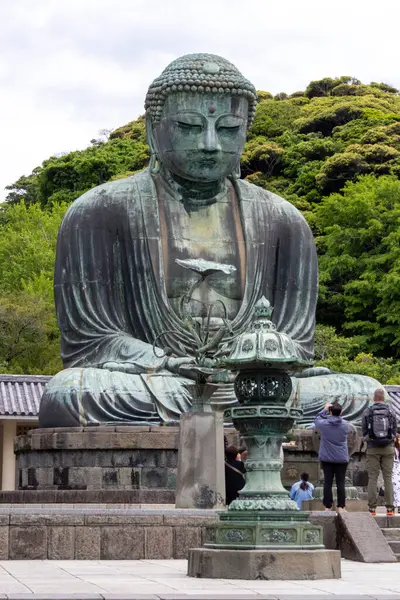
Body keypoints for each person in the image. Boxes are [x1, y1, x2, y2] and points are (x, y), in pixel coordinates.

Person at [38, 52, 382, 428]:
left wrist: (249, 364)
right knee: (72, 393)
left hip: (253, 381)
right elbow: (92, 340)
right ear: (154, 129)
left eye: (228, 129)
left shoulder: (284, 220)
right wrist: (166, 360)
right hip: (158, 379)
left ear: (246, 133)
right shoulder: (100, 211)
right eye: (189, 125)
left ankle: (237, 407)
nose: (209, 144)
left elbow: (295, 342)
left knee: (363, 394)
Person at [363, 389, 397, 516]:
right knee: (388, 478)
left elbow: (364, 429)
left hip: (372, 447)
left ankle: (372, 509)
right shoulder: (391, 411)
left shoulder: (368, 411)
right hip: (388, 447)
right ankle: (390, 509)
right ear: (384, 398)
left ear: (374, 398)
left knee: (373, 478)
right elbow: (394, 428)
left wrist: (369, 438)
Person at [314, 401, 350, 513]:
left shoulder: (324, 424)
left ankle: (327, 506)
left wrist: (324, 409)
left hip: (327, 458)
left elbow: (316, 420)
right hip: (341, 458)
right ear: (341, 412)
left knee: (327, 482)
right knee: (340, 483)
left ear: (330, 412)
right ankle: (341, 506)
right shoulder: (345, 425)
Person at [393, 435, 400, 513]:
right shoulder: (392, 449)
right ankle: (393, 505)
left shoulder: (398, 449)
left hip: (398, 469)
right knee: (395, 487)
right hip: (393, 470)